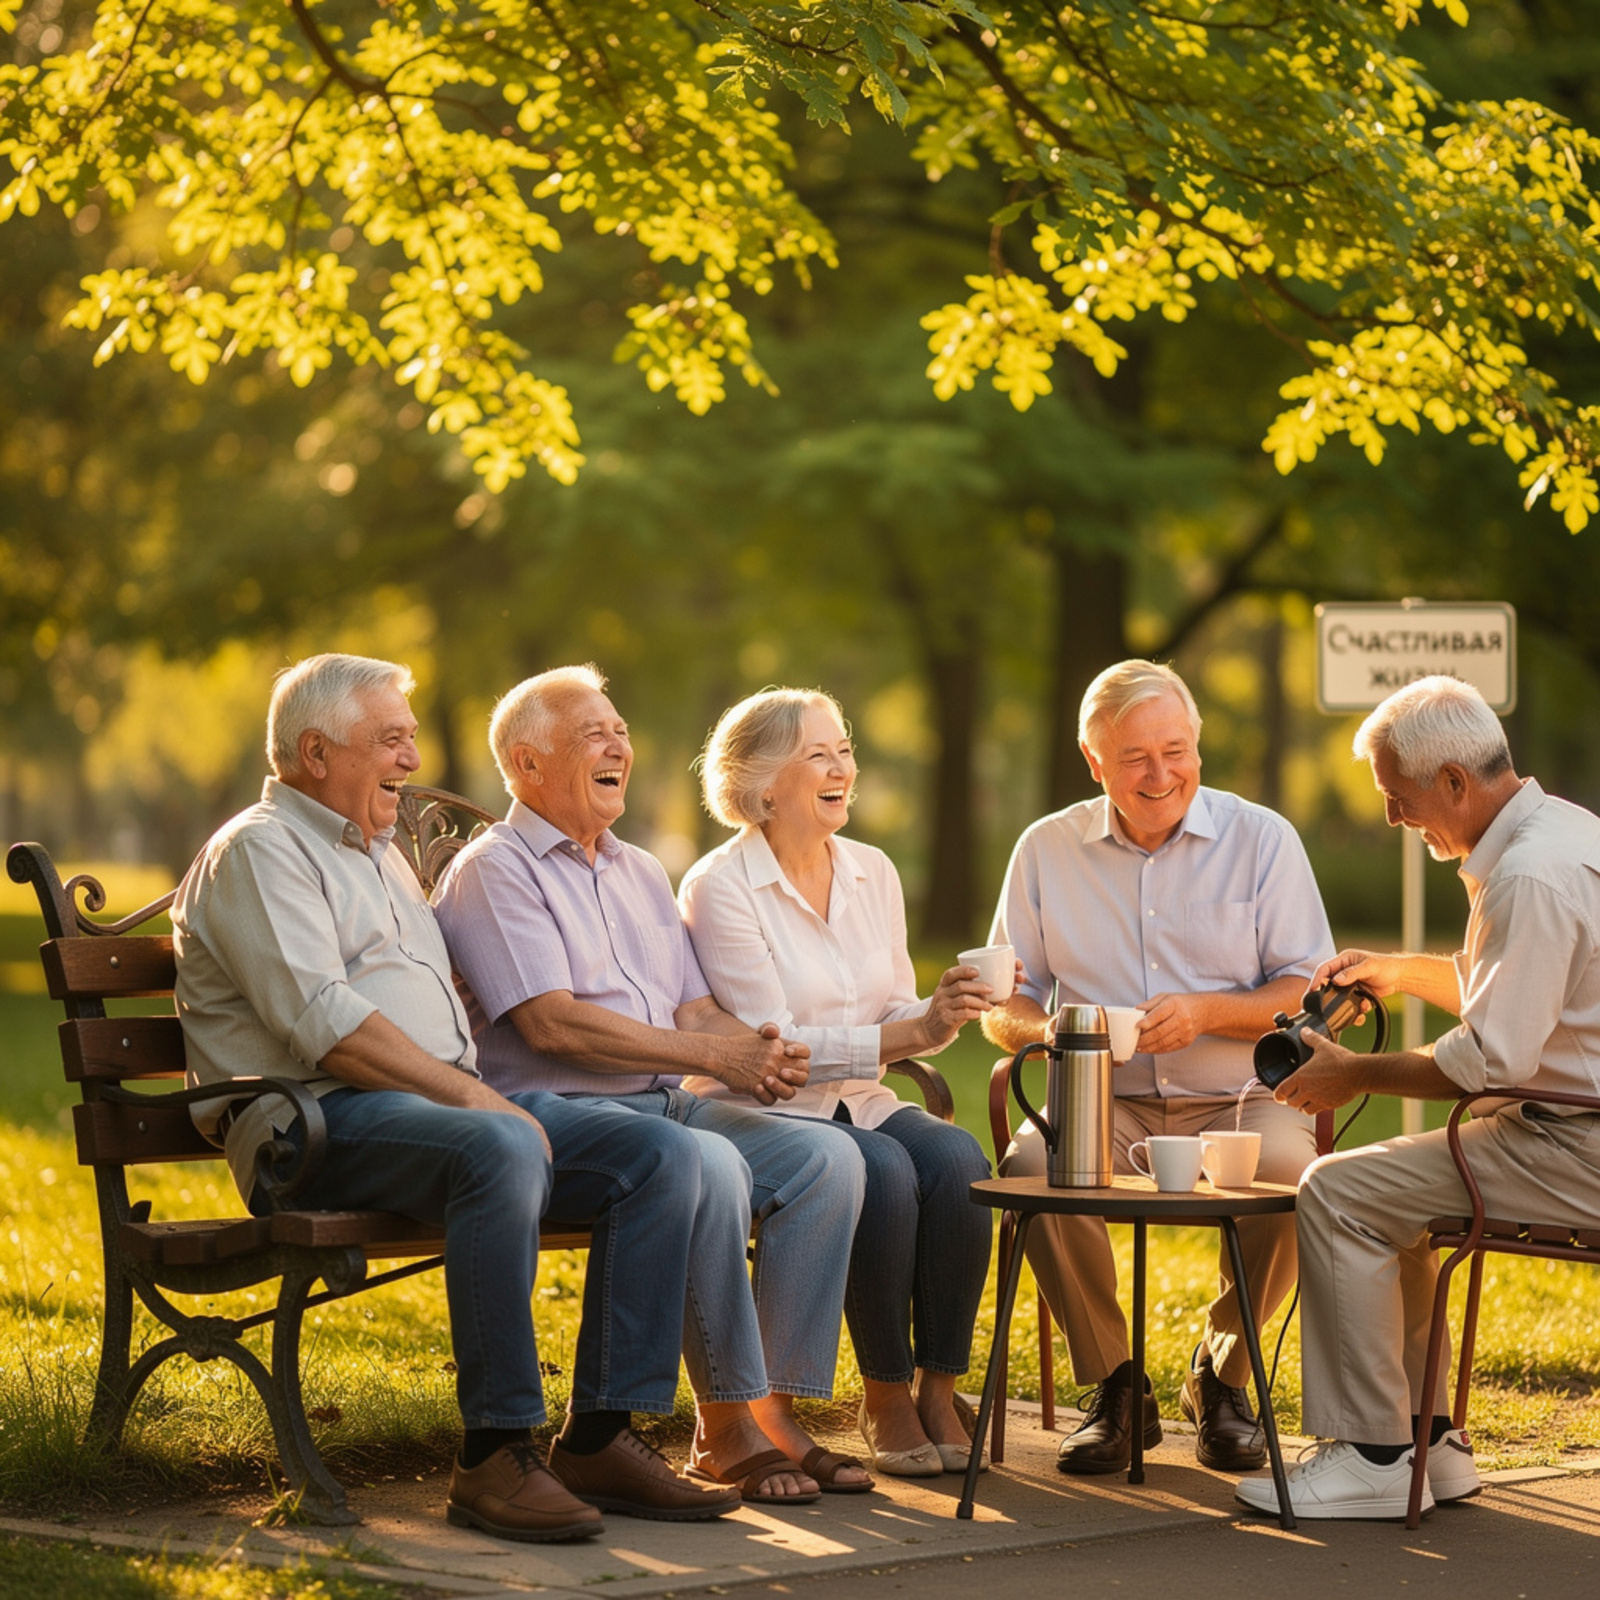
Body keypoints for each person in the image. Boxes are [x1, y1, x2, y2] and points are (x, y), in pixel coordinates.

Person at [171, 654, 743, 1542]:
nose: (411, 756)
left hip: (430, 1110)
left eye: (409, 737)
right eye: (391, 739)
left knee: (661, 1155)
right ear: (316, 753)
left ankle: (599, 1434)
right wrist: (480, 1101)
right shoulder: (259, 850)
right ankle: (494, 1454)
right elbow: (330, 1029)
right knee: (502, 1145)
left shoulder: (379, 854)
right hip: (315, 1125)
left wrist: (471, 1075)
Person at [432, 664, 872, 1502]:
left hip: (658, 1103)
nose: (617, 745)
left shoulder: (636, 868)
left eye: (620, 729)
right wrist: (714, 1058)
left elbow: (694, 1009)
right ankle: (703, 1424)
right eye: (591, 734)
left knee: (829, 1162)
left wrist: (755, 1048)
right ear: (527, 765)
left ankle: (766, 1413)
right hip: (552, 1115)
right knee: (695, 1160)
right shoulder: (497, 871)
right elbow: (551, 1026)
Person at [1237, 675, 1600, 1520]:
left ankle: (1369, 1455)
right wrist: (1398, 971)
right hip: (1567, 1123)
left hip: (1572, 1144)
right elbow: (1522, 991)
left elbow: (1486, 1058)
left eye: (1399, 801)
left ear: (1453, 784)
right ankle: (1429, 1443)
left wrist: (1350, 1073)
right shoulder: (1564, 834)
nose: (1396, 820)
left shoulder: (1527, 877)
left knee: (1336, 1190)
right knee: (1381, 1193)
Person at [982, 659, 1335, 1475]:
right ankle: (1116, 1384)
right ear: (1093, 758)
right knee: (1032, 1163)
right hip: (1102, 1098)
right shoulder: (1045, 849)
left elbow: (1306, 988)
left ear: (1198, 749)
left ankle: (1222, 1378)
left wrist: (1209, 1010)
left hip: (1241, 1097)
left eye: (1176, 750)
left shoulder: (1261, 839)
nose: (1161, 773)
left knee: (1294, 1176)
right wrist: (1068, 1033)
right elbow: (1006, 1001)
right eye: (1136, 757)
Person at [678, 688, 995, 1477]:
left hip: (863, 1098)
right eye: (817, 754)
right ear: (761, 786)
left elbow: (892, 1007)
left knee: (960, 1164)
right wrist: (910, 1032)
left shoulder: (873, 872)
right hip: (767, 1109)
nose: (841, 768)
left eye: (844, 750)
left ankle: (936, 1389)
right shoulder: (721, 886)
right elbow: (773, 1047)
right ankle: (883, 1394)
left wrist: (940, 1009)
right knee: (884, 1169)